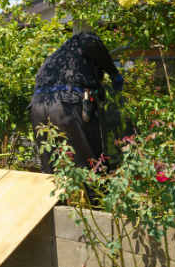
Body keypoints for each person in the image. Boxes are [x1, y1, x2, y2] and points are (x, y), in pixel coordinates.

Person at [30, 32, 123, 174]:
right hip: (66, 104)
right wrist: (113, 72)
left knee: (51, 168)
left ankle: (58, 196)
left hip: (37, 105)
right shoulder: (84, 39)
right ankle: (94, 195)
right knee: (90, 166)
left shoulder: (57, 57)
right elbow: (91, 43)